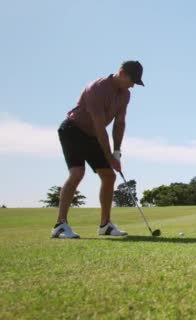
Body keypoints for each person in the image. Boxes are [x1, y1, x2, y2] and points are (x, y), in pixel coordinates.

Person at [51, 61, 144, 239]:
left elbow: (119, 123)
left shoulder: (125, 95)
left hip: (93, 135)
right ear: (122, 73)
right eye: (132, 80)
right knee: (77, 172)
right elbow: (100, 127)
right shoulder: (97, 88)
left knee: (109, 175)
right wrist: (109, 157)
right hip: (73, 130)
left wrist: (117, 152)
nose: (133, 85)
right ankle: (60, 225)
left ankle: (105, 225)